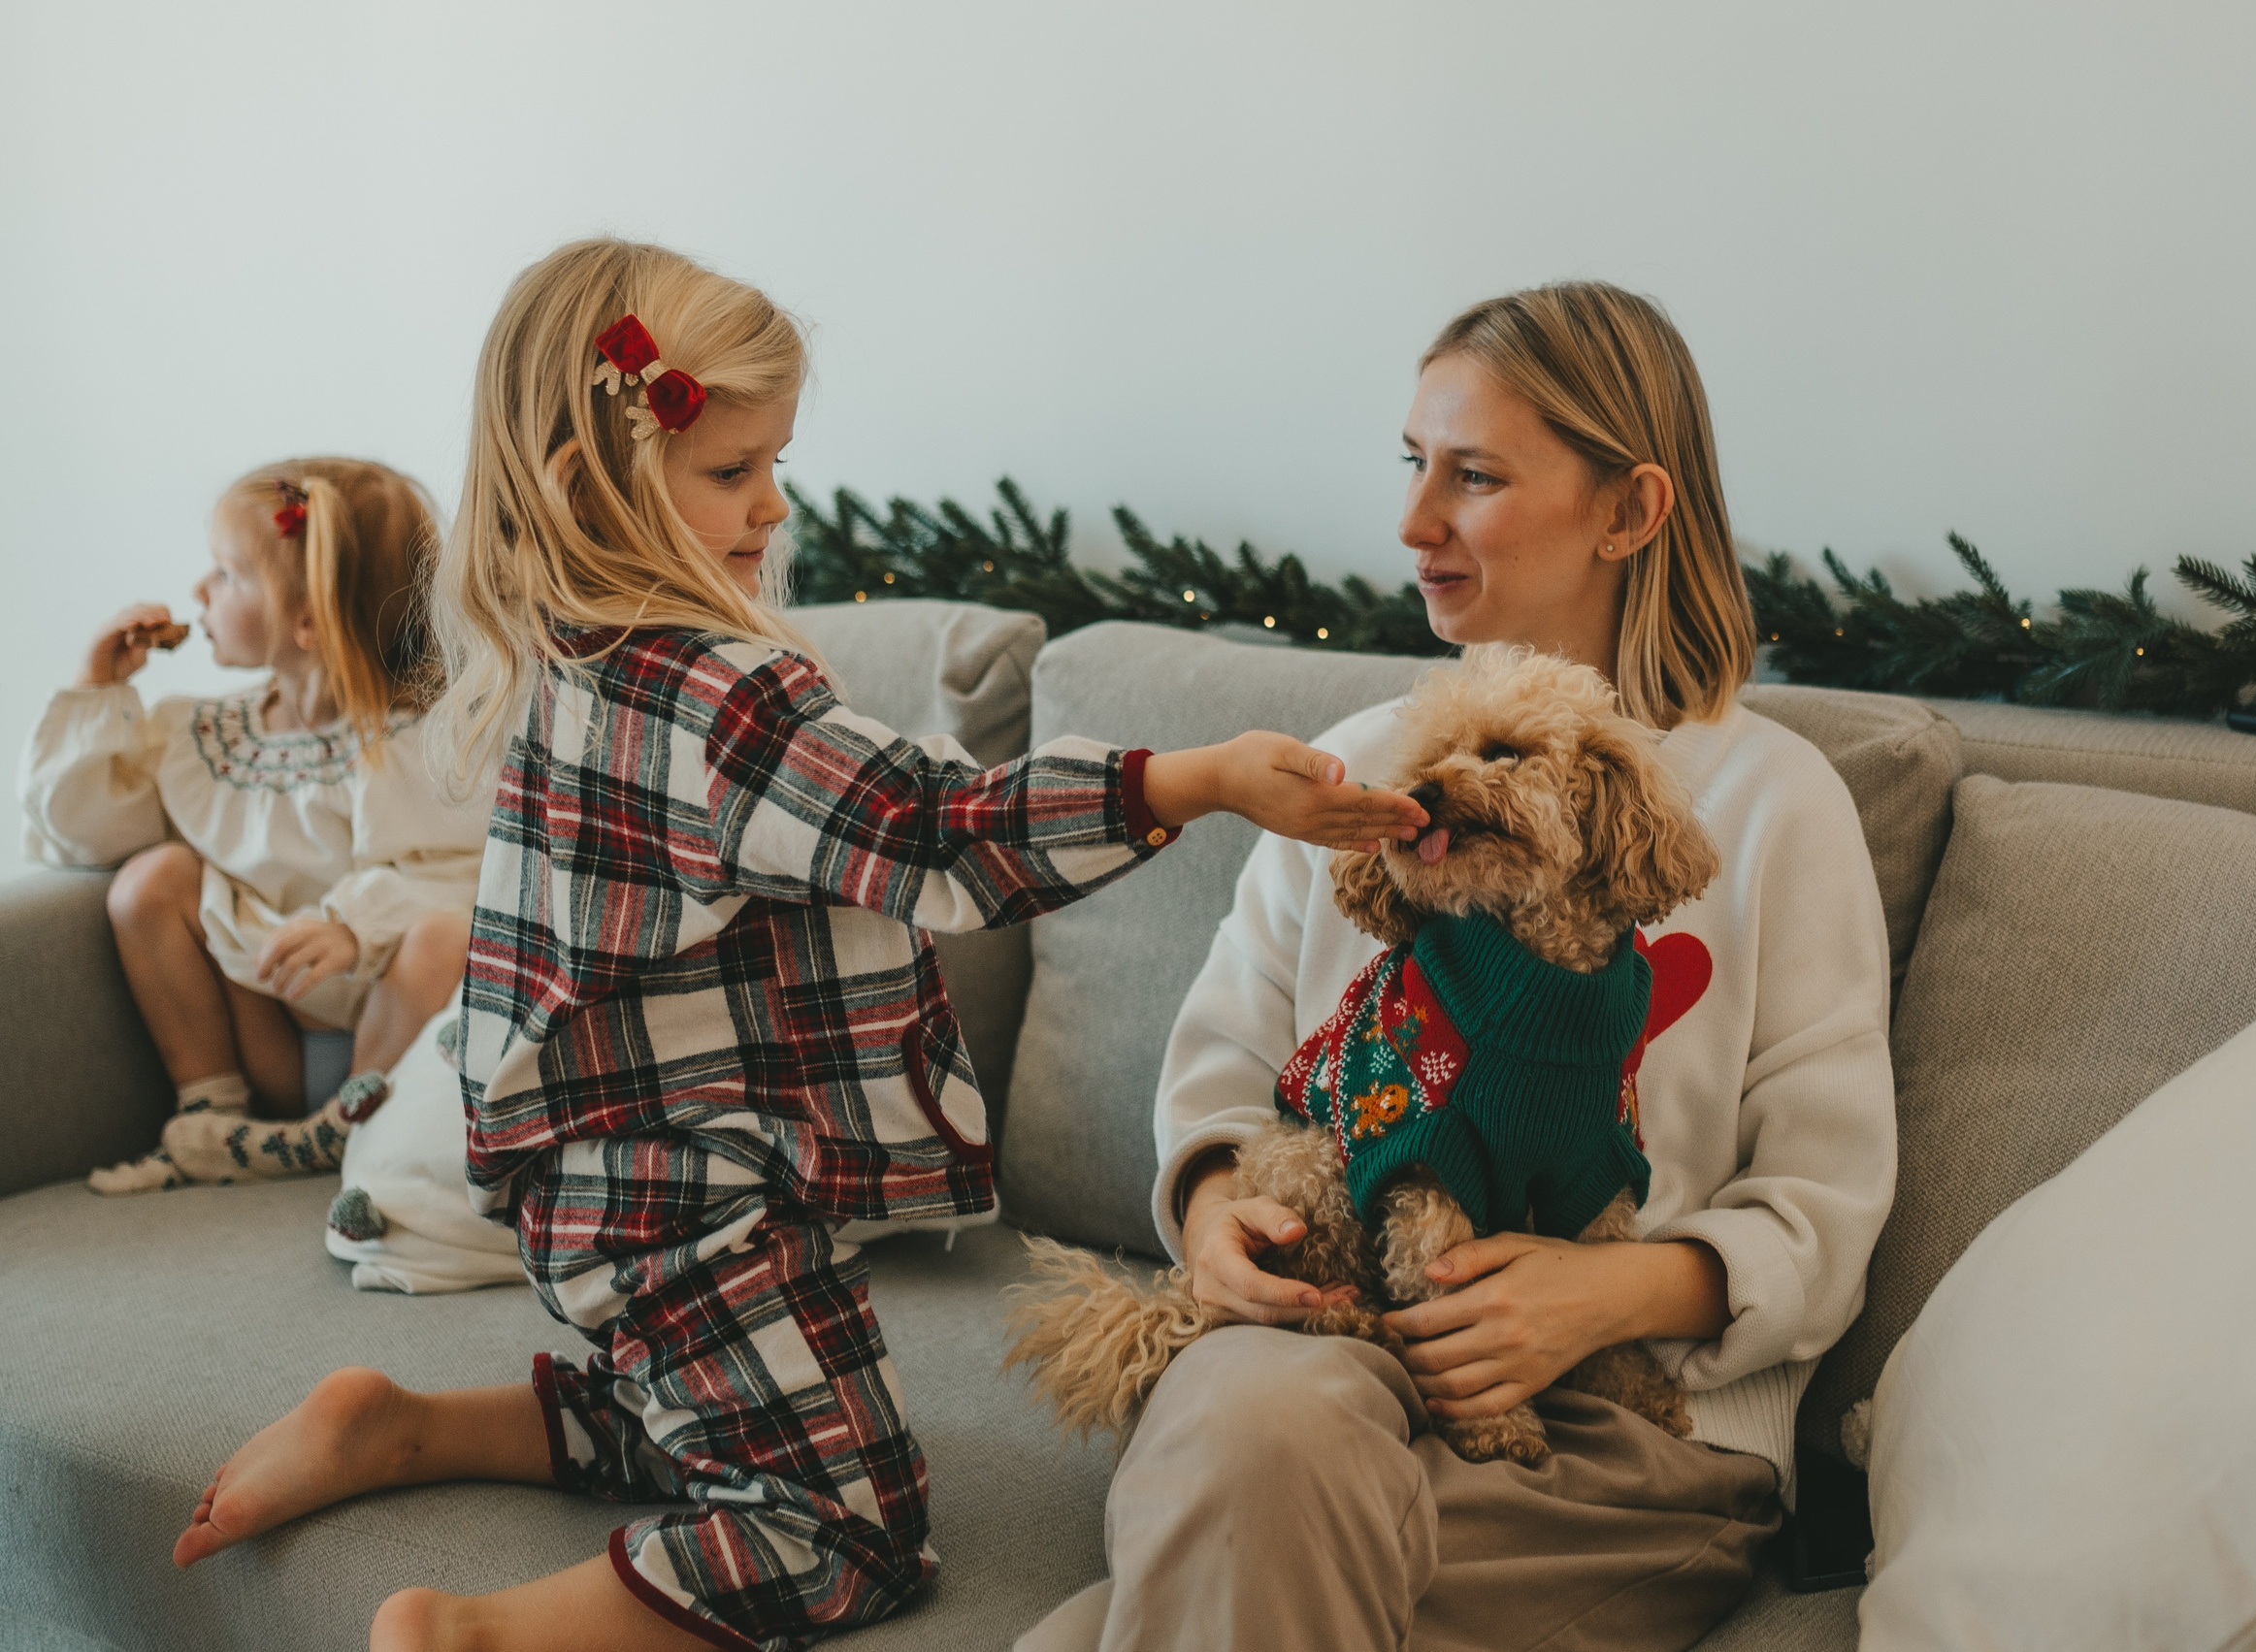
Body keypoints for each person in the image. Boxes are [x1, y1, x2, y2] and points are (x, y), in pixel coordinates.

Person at [166, 238, 1427, 1652]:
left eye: (777, 460)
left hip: (631, 1173)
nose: (774, 501)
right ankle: (468, 1633)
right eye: (730, 472)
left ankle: (397, 1422)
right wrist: (1190, 780)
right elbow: (936, 830)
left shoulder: (570, 648)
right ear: (593, 483)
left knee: (745, 1423)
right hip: (673, 1196)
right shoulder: (722, 694)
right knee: (850, 1530)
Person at [1020, 282, 1900, 1652]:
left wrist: (1601, 1289)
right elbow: (1225, 1075)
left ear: (1630, 510)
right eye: (1415, 465)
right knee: (1260, 1428)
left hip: (1629, 1438)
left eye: (1474, 476)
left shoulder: (1774, 803)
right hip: (1326, 1354)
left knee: (1151, 1595)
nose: (1415, 522)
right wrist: (1211, 1222)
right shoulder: (1357, 766)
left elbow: (1825, 1208)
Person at [22, 458, 484, 1193]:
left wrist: (353, 927)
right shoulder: (209, 740)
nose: (199, 591)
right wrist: (96, 687)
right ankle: (213, 1114)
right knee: (153, 878)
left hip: (388, 1044)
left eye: (227, 574)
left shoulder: (420, 744)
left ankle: (342, 1132)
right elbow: (83, 837)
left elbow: (460, 877)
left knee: (441, 936)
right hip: (275, 1035)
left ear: (308, 620)